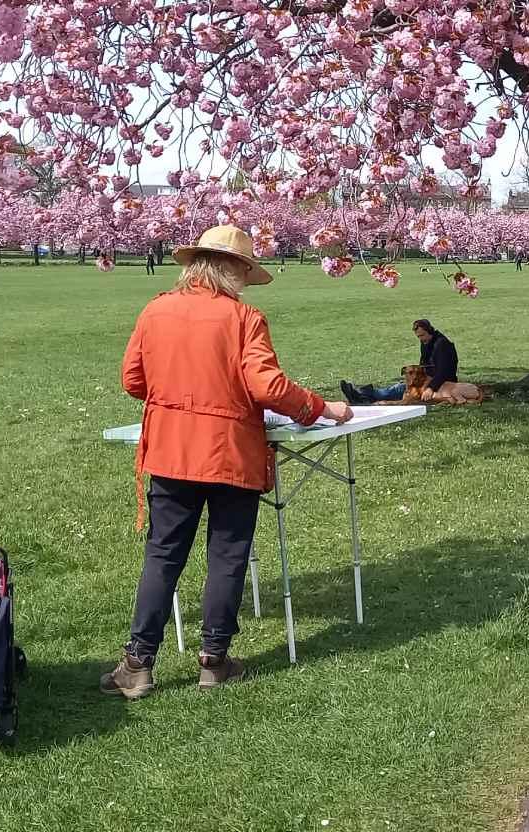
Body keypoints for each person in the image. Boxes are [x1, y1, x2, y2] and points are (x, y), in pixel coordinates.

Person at [103, 225, 354, 699]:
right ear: (233, 270)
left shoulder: (156, 310)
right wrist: (323, 408)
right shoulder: (244, 319)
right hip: (230, 454)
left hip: (171, 451)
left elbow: (133, 380)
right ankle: (213, 661)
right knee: (227, 554)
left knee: (162, 555)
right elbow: (268, 387)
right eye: (243, 269)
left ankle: (138, 663)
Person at [340, 319, 458, 404]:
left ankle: (361, 395)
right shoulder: (426, 343)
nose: (421, 339)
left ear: (430, 331)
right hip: (425, 379)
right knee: (398, 388)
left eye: (422, 335)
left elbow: (443, 372)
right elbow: (423, 364)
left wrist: (430, 388)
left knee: (396, 389)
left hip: (440, 383)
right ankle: (361, 394)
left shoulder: (442, 345)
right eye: (418, 337)